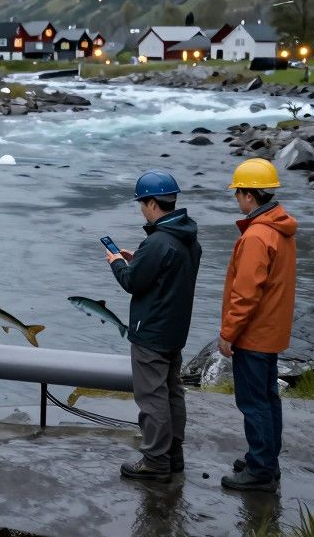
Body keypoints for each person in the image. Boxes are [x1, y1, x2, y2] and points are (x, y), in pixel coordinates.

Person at [106, 169, 202, 483]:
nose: (141, 208)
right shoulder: (188, 237)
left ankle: (155, 461)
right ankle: (174, 455)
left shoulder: (158, 242)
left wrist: (118, 262)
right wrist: (139, 258)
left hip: (152, 332)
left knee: (152, 398)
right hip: (176, 330)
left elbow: (132, 283)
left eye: (141, 203)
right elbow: (168, 275)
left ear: (151, 203)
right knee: (173, 392)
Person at [219, 158, 297, 492]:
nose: (237, 198)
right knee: (268, 400)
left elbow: (245, 294)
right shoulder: (281, 229)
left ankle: (260, 470)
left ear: (250, 196)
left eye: (238, 192)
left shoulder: (256, 236)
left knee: (253, 403)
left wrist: (228, 333)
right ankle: (265, 459)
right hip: (272, 331)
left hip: (254, 334)